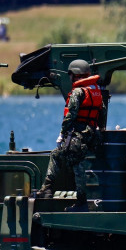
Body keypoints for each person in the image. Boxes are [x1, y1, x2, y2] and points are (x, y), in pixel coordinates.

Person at [39, 59, 105, 212]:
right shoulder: (96, 90)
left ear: (75, 74)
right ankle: (82, 200)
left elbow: (71, 115)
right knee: (76, 161)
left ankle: (50, 191)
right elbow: (101, 113)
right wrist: (100, 130)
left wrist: (62, 134)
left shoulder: (78, 92)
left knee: (63, 158)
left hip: (78, 135)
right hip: (92, 135)